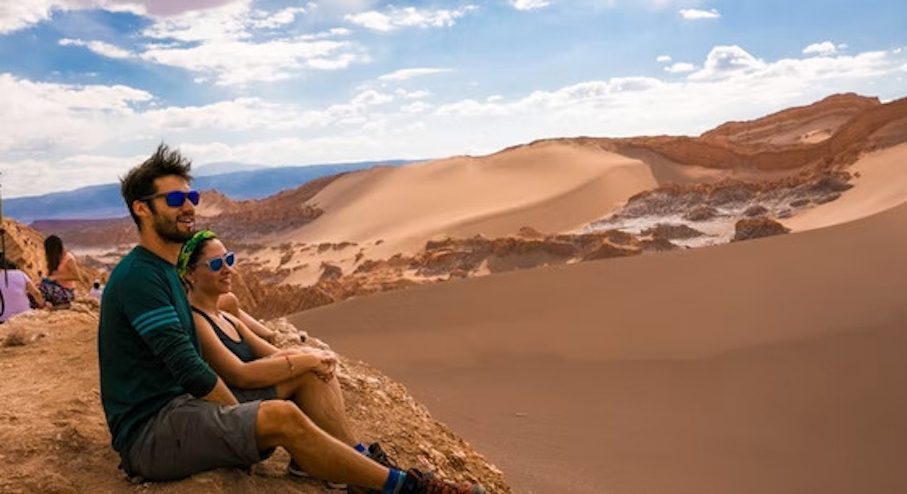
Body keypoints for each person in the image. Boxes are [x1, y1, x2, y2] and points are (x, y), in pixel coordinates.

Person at [97, 144, 485, 494]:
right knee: (280, 416)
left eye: (192, 196)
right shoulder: (139, 277)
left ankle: (354, 467)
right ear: (141, 208)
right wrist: (240, 418)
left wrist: (293, 364)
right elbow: (187, 366)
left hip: (185, 408)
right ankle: (404, 489)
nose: (189, 206)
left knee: (305, 375)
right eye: (176, 198)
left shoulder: (164, 269)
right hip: (151, 433)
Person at [40, 235, 85, 308]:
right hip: (57, 286)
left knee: (43, 288)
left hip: (67, 291)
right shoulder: (56, 258)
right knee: (38, 287)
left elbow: (77, 276)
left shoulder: (68, 258)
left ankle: (56, 306)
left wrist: (57, 277)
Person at [0, 258, 46, 322]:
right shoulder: (20, 274)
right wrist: (43, 305)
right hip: (25, 315)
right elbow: (36, 293)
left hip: (3, 319)